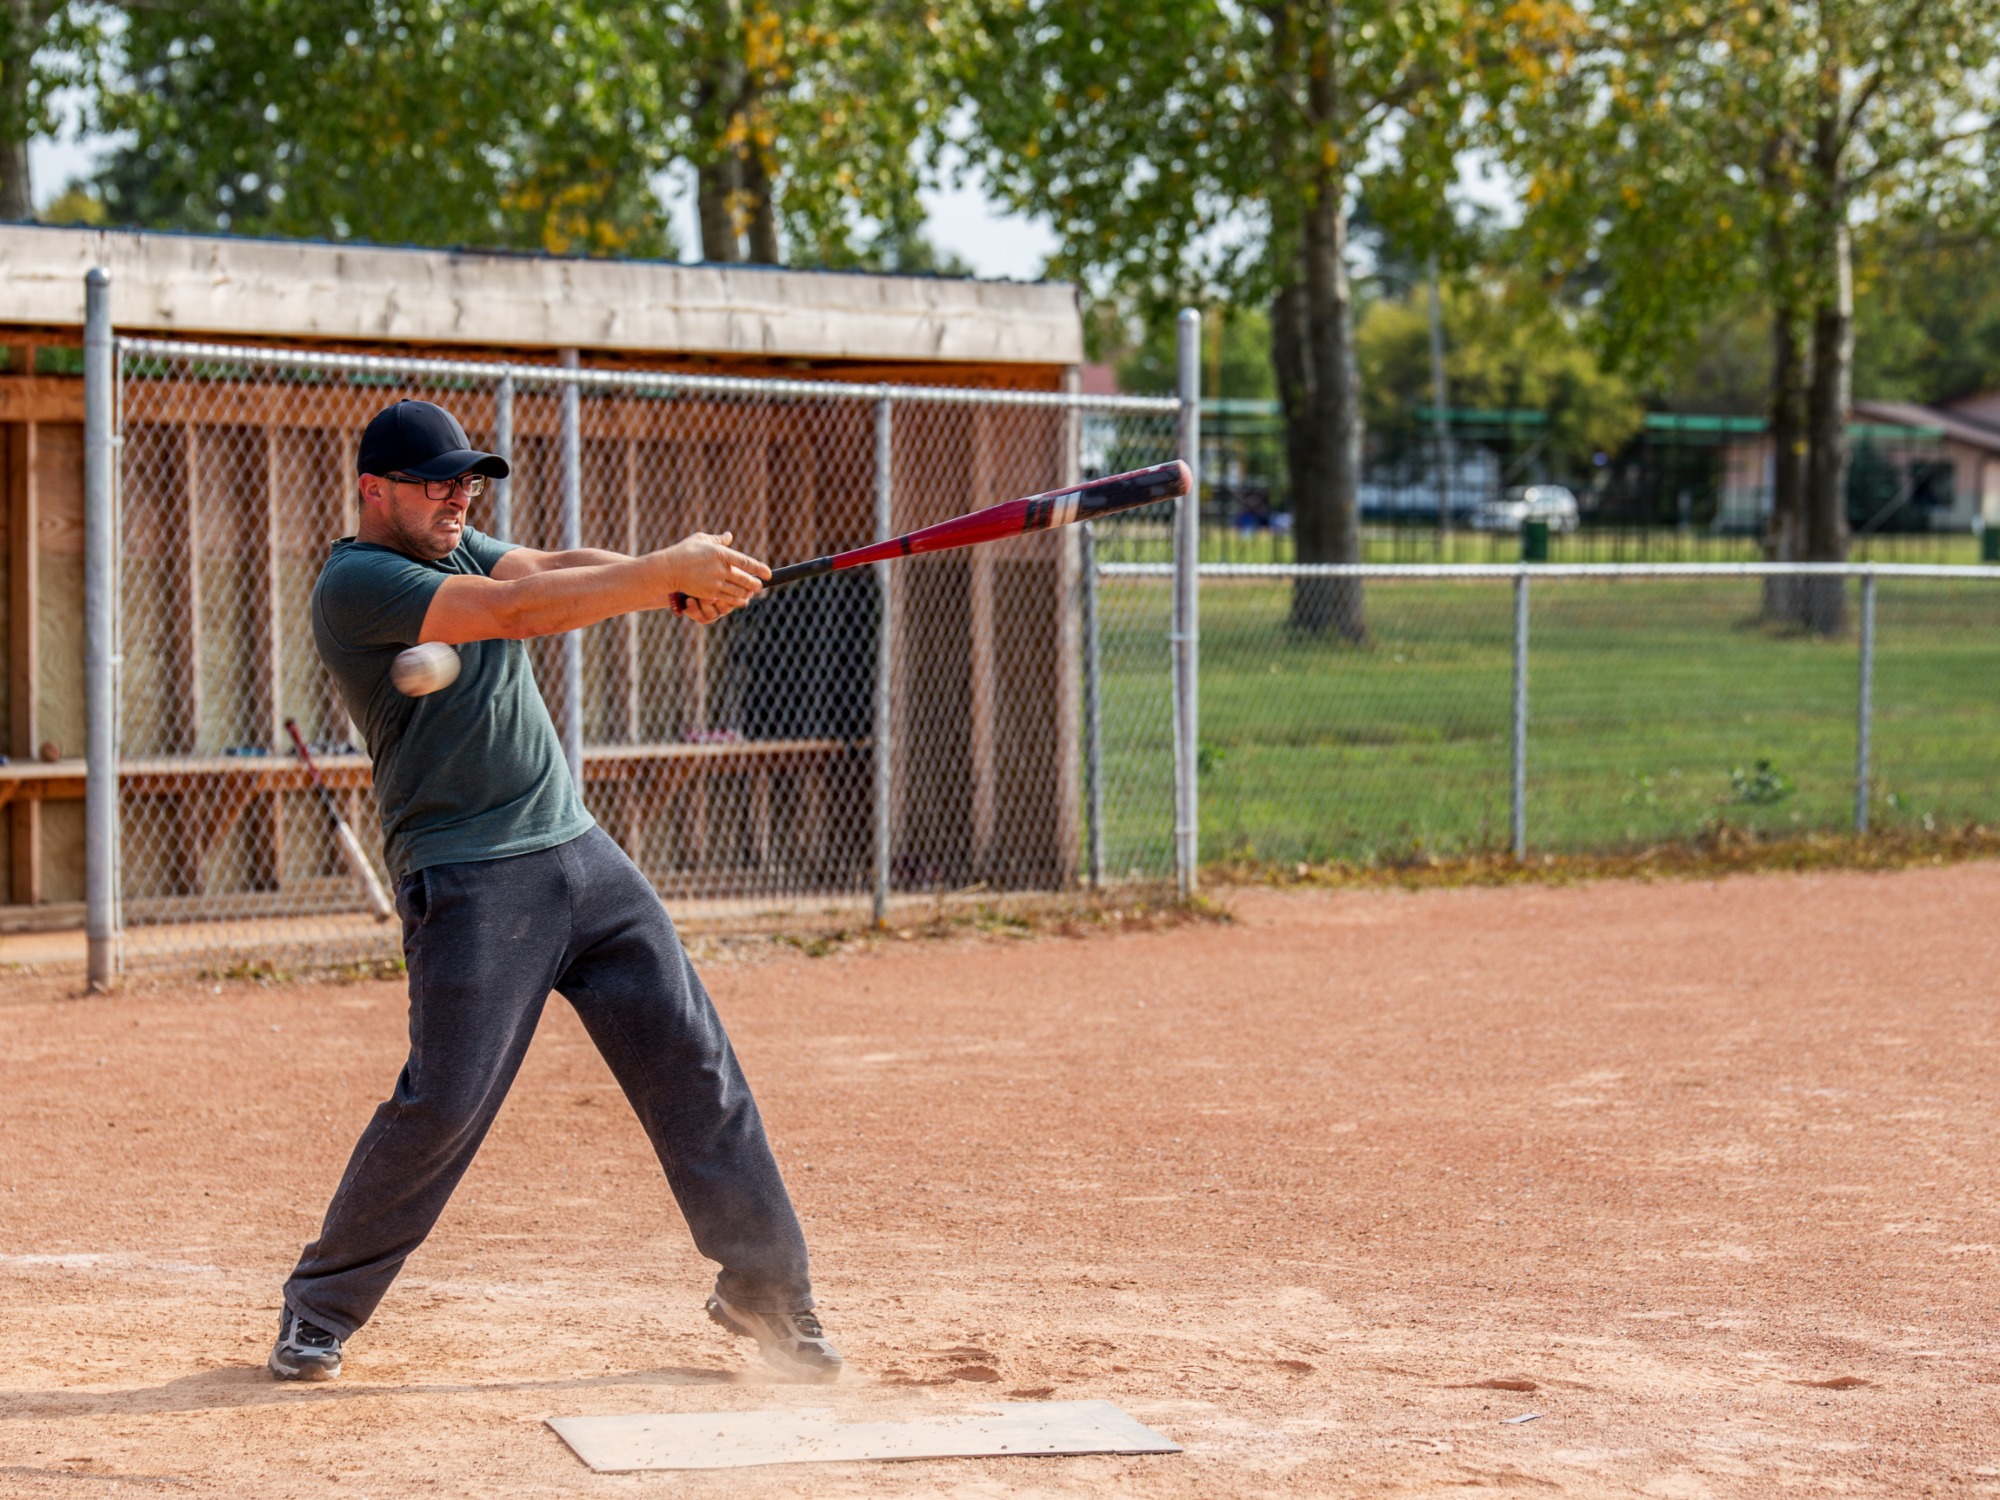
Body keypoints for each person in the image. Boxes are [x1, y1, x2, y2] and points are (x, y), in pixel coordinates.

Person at [268, 398, 840, 1383]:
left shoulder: (454, 543)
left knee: (694, 1066)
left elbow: (538, 570)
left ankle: (764, 1288)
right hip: (470, 873)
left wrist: (673, 581)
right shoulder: (358, 580)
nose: (458, 495)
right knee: (445, 1103)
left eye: (468, 480)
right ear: (373, 490)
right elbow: (514, 614)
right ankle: (319, 1308)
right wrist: (659, 575)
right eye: (436, 481)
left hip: (581, 856)